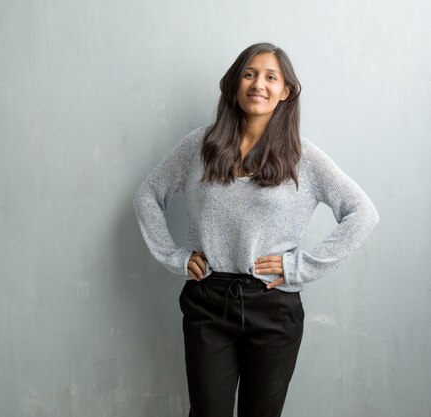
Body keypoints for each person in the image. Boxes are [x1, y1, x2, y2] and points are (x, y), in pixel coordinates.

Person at [132, 42, 380, 417]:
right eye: (249, 74)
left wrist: (299, 268)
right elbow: (148, 194)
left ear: (286, 91)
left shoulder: (302, 156)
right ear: (235, 84)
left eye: (270, 77)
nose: (258, 84)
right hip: (208, 301)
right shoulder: (199, 146)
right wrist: (175, 258)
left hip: (274, 307)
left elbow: (363, 213)